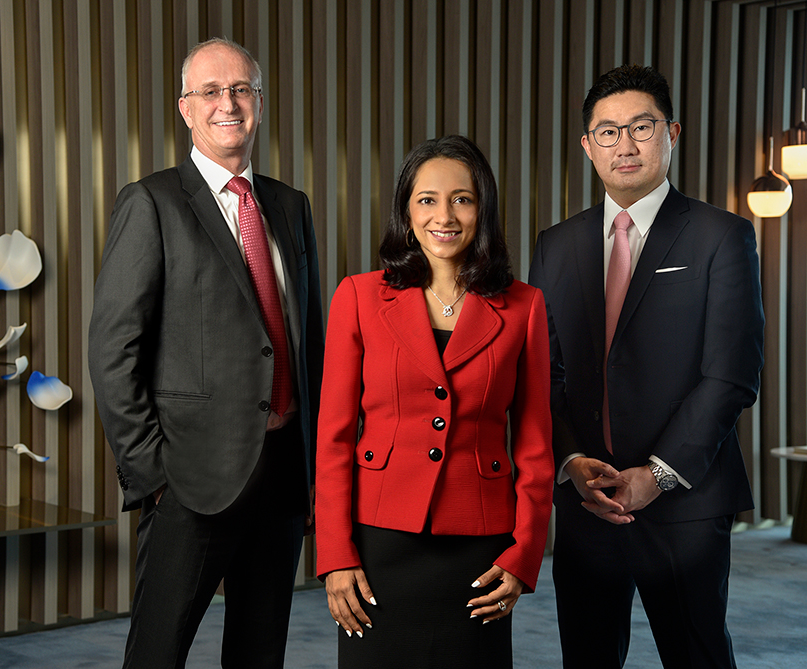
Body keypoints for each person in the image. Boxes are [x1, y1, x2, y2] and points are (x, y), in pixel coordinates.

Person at [88, 37, 324, 669]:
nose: (229, 103)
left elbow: (311, 346)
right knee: (157, 654)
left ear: (261, 103)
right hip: (187, 481)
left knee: (259, 652)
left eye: (241, 89)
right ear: (186, 109)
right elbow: (113, 347)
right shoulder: (153, 202)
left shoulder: (289, 207)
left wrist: (313, 470)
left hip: (280, 474)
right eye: (212, 91)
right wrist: (151, 473)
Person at [528, 64, 765, 668]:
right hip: (588, 499)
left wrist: (655, 475)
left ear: (672, 132)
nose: (624, 144)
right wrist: (573, 462)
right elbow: (544, 371)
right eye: (607, 132)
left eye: (641, 126)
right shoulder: (555, 244)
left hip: (684, 499)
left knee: (697, 654)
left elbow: (732, 375)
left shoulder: (721, 236)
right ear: (587, 146)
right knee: (587, 655)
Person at [315, 135, 554, 668]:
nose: (444, 215)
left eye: (462, 199)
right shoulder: (357, 297)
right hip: (379, 542)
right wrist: (334, 555)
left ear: (482, 210)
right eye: (427, 199)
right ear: (406, 210)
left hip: (482, 547)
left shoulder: (525, 307)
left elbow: (536, 445)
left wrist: (524, 554)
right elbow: (332, 439)